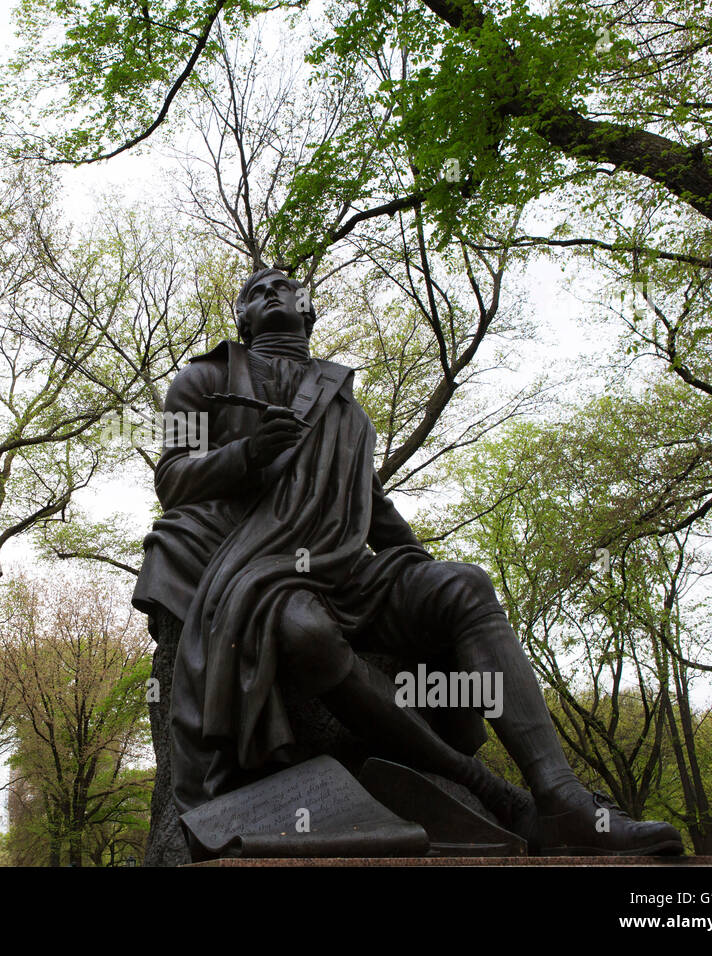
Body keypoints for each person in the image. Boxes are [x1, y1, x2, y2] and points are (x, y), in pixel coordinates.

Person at [132, 266, 683, 855]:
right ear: (241, 316)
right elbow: (170, 477)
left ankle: (562, 799)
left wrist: (419, 569)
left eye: (283, 288)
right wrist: (247, 454)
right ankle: (489, 792)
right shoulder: (198, 379)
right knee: (303, 630)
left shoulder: (345, 408)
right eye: (255, 292)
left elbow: (368, 502)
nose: (269, 294)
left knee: (464, 586)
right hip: (247, 566)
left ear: (308, 311)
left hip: (339, 567)